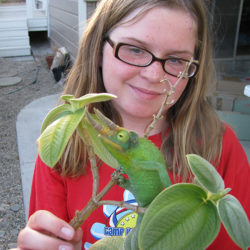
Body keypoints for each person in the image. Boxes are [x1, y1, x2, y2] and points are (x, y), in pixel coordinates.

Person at [16, 0, 250, 249]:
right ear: (97, 50)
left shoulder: (220, 147)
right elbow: (50, 234)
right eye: (135, 49)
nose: (153, 76)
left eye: (176, 60)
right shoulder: (64, 143)